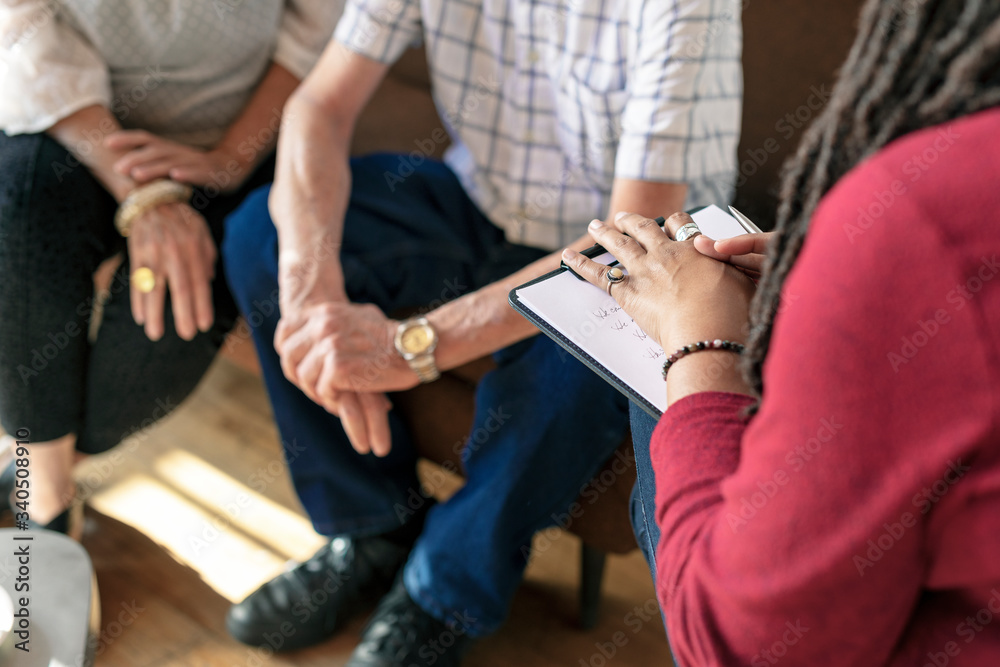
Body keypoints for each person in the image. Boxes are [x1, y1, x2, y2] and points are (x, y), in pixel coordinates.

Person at [221, 0, 742, 663]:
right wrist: (314, 294)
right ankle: (372, 525)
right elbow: (316, 108)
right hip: (480, 204)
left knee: (571, 385)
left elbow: (627, 242)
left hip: (637, 262)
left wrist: (413, 346)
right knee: (259, 239)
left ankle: (440, 592)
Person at [561, 0, 1000, 664]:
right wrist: (838, 289)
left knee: (653, 375)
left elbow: (744, 649)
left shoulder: (925, 218)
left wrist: (702, 349)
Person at [0, 0, 341, 536]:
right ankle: (44, 498)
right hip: (81, 125)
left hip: (233, 147)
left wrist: (231, 158)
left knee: (162, 337)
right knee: (13, 213)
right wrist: (144, 197)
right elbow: (22, 32)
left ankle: (33, 464)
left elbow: (317, 36)